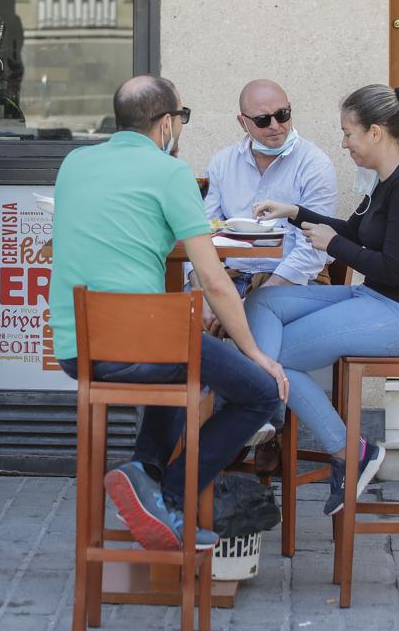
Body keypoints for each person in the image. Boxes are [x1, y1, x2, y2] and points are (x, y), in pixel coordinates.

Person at [49, 75, 288, 550]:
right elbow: (216, 282)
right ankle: (169, 493)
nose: (181, 125)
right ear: (164, 124)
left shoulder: (74, 163)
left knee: (183, 369)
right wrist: (258, 354)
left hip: (78, 348)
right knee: (262, 395)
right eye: (181, 117)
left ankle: (144, 478)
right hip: (144, 342)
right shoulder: (169, 173)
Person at [248, 84, 399, 516]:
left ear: (377, 132)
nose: (344, 143)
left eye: (349, 133)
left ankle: (350, 450)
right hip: (376, 299)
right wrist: (294, 212)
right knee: (260, 304)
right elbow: (355, 232)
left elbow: (392, 268)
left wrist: (331, 246)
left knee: (280, 357)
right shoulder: (387, 182)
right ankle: (268, 406)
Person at [186, 79, 337, 326]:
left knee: (259, 323)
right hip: (227, 277)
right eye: (263, 120)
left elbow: (311, 252)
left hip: (290, 280)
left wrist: (251, 304)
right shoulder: (221, 163)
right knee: (172, 320)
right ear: (242, 122)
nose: (276, 126)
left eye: (282, 115)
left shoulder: (315, 165)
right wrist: (201, 290)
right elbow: (197, 233)